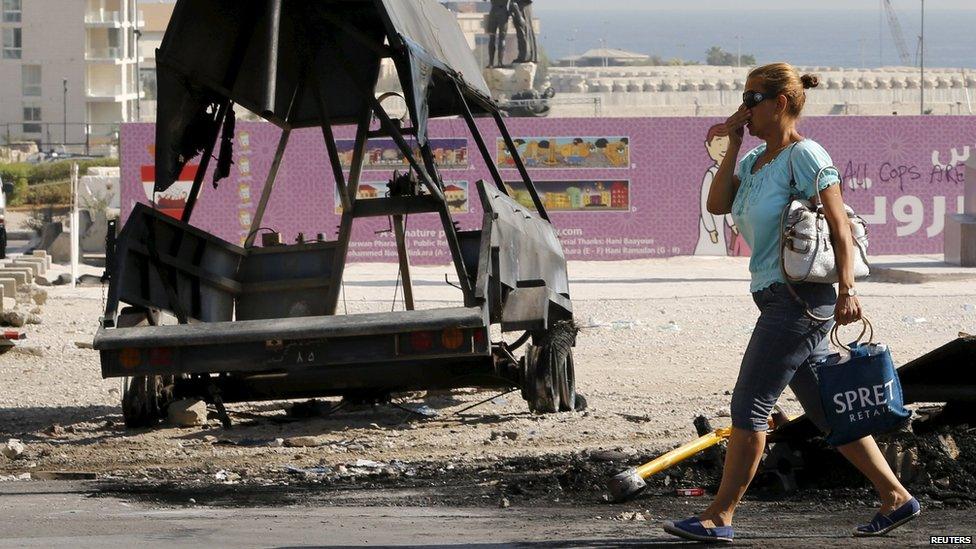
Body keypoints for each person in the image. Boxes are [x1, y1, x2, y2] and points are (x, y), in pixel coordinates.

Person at [663, 62, 919, 544]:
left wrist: (848, 289)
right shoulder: (753, 160)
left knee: (751, 402)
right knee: (826, 410)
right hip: (776, 297)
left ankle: (720, 516)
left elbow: (839, 224)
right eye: (743, 97)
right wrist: (734, 141)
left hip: (800, 301)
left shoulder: (806, 154)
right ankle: (896, 497)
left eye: (753, 98)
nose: (745, 107)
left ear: (780, 102)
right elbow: (718, 205)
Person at [695, 124, 739, 256]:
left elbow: (725, 205)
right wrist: (711, 229)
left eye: (727, 143)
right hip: (710, 223)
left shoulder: (726, 174)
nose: (723, 148)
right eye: (718, 143)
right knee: (708, 249)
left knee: (720, 249)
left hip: (719, 223)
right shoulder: (711, 174)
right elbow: (705, 206)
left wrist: (732, 224)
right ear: (708, 146)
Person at [485, 0, 512, 67]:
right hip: (503, 11)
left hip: (493, 11)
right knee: (502, 38)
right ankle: (500, 62)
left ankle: (491, 63)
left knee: (492, 37)